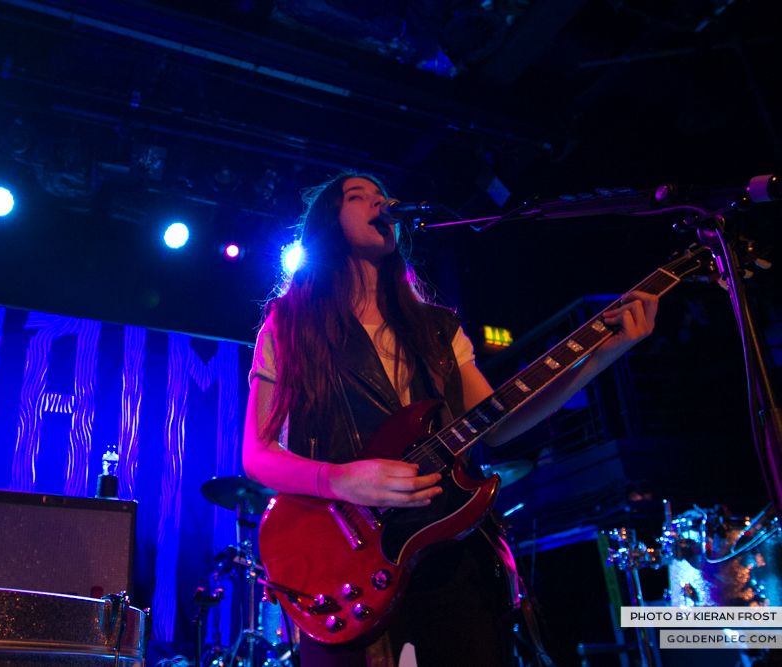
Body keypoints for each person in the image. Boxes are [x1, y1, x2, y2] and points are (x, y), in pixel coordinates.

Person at [242, 172, 658, 667]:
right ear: (327, 224)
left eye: (384, 196)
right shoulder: (290, 323)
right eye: (360, 197)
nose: (381, 203)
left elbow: (499, 422)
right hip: (347, 558)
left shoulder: (438, 328)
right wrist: (343, 481)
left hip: (451, 551)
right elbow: (258, 454)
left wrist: (603, 354)